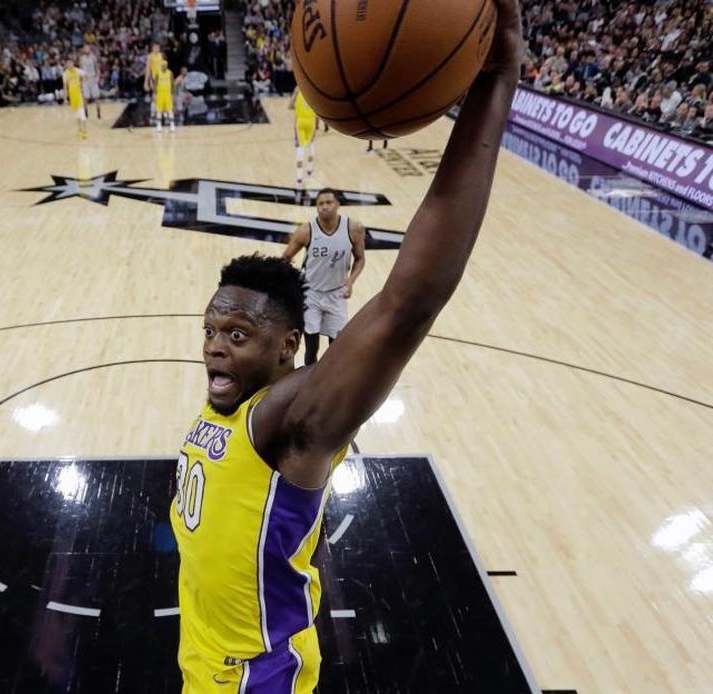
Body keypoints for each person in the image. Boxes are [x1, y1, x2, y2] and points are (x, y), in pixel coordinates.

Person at [171, 1, 522, 690]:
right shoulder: (233, 412)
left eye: (237, 335)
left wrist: (497, 81)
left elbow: (407, 302)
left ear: (287, 349)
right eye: (211, 331)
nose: (215, 348)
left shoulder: (293, 421)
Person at [281, 188, 366, 364]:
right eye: (320, 204)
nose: (324, 207)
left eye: (329, 203)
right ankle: (309, 383)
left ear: (338, 205)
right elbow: (285, 258)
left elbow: (360, 259)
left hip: (337, 294)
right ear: (316, 207)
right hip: (311, 294)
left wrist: (350, 281)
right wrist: (293, 284)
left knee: (337, 346)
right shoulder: (306, 230)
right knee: (311, 347)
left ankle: (331, 382)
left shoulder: (354, 228)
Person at [288, 88, 317, 190]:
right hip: (310, 122)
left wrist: (295, 98)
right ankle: (308, 173)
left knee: (302, 151)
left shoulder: (298, 90)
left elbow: (290, 106)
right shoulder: (314, 91)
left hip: (302, 122)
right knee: (309, 149)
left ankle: (300, 179)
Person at [62, 58, 88, 140]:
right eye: (67, 64)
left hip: (79, 95)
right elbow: (65, 87)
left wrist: (83, 82)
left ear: (73, 63)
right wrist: (65, 98)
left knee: (82, 114)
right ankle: (79, 130)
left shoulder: (78, 71)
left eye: (70, 63)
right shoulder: (65, 74)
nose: (69, 65)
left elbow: (86, 75)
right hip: (72, 97)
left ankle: (85, 131)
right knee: (77, 115)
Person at [79, 44, 101, 120]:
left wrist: (98, 77)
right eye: (85, 48)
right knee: (85, 97)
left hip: (92, 78)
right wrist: (81, 78)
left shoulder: (93, 57)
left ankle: (98, 113)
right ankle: (86, 113)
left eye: (87, 48)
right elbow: (81, 69)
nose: (86, 49)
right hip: (85, 79)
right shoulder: (82, 58)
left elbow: (97, 67)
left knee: (96, 97)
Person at [154, 59, 176, 133]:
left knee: (170, 110)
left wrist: (174, 94)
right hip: (160, 94)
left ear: (167, 66)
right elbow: (155, 84)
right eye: (162, 65)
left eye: (165, 65)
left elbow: (173, 83)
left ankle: (172, 126)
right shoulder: (158, 73)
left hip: (167, 94)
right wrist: (154, 94)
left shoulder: (170, 73)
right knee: (159, 111)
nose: (163, 67)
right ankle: (159, 126)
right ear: (161, 66)